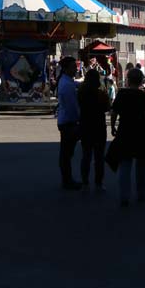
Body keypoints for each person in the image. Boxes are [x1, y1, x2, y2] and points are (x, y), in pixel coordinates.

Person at [109, 67, 145, 206]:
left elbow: (114, 112)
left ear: (128, 80)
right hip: (141, 133)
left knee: (125, 165)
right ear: (141, 81)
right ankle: (142, 194)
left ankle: (124, 196)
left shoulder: (122, 94)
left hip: (125, 131)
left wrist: (113, 127)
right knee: (141, 165)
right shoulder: (143, 96)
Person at [77, 68, 110, 190]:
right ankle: (99, 183)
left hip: (85, 124)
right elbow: (107, 107)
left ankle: (85, 180)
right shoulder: (101, 92)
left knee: (86, 154)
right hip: (99, 125)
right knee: (99, 156)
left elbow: (78, 105)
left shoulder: (81, 91)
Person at [57, 56, 81, 190]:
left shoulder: (66, 80)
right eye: (73, 67)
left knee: (66, 153)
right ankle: (67, 180)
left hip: (65, 120)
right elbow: (72, 107)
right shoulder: (66, 84)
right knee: (66, 153)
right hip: (68, 122)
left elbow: (75, 84)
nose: (76, 69)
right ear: (66, 69)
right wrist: (78, 120)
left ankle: (67, 179)